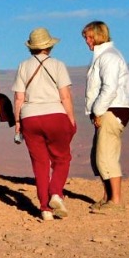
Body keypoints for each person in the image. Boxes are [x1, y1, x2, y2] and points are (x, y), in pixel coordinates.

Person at [12, 28, 75, 221]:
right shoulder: (58, 65)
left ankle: (45, 209)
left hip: (30, 117)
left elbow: (18, 98)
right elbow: (65, 95)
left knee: (40, 164)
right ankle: (56, 193)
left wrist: (17, 122)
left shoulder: (23, 66)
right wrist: (71, 118)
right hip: (55, 115)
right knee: (62, 158)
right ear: (49, 46)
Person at [83, 21, 129, 214]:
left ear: (98, 36)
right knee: (98, 156)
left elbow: (109, 88)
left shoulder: (109, 57)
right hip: (106, 110)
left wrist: (98, 111)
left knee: (107, 156)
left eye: (89, 37)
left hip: (112, 110)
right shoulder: (103, 56)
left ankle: (116, 201)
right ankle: (107, 197)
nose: (87, 41)